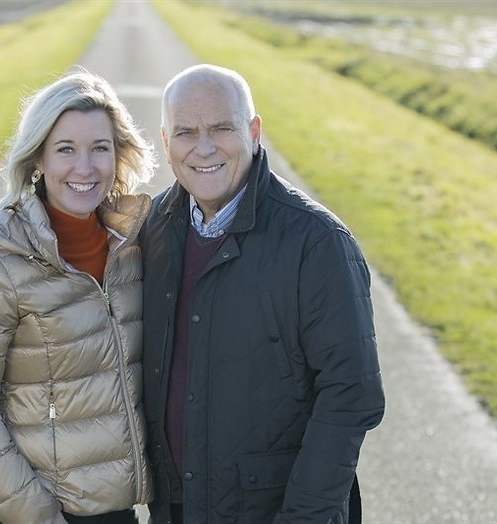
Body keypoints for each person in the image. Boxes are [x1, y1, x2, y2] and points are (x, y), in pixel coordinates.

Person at [140, 64, 386, 523]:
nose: (204, 147)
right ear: (165, 142)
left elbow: (352, 395)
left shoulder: (317, 242)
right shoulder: (155, 226)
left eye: (222, 128)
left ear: (254, 131)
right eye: (186, 132)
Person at [0, 70, 156, 524]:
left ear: (118, 155)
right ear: (38, 157)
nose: (85, 167)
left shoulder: (132, 246)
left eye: (100, 148)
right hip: (23, 513)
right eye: (65, 150)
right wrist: (37, 515)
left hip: (112, 511)